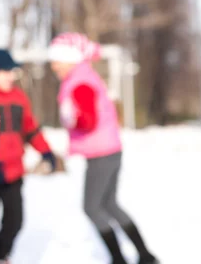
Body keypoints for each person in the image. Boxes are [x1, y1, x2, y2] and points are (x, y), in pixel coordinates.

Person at [48, 33, 158, 264]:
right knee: (109, 204)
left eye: (56, 61)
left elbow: (87, 120)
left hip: (101, 153)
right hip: (108, 150)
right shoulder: (83, 76)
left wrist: (71, 119)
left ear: (70, 59)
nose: (53, 66)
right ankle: (145, 255)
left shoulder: (80, 82)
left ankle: (119, 258)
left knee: (92, 208)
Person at [0, 49, 57, 264]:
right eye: (6, 71)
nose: (12, 76)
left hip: (14, 170)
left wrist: (46, 150)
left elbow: (30, 128)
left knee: (14, 220)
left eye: (12, 71)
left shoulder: (18, 97)